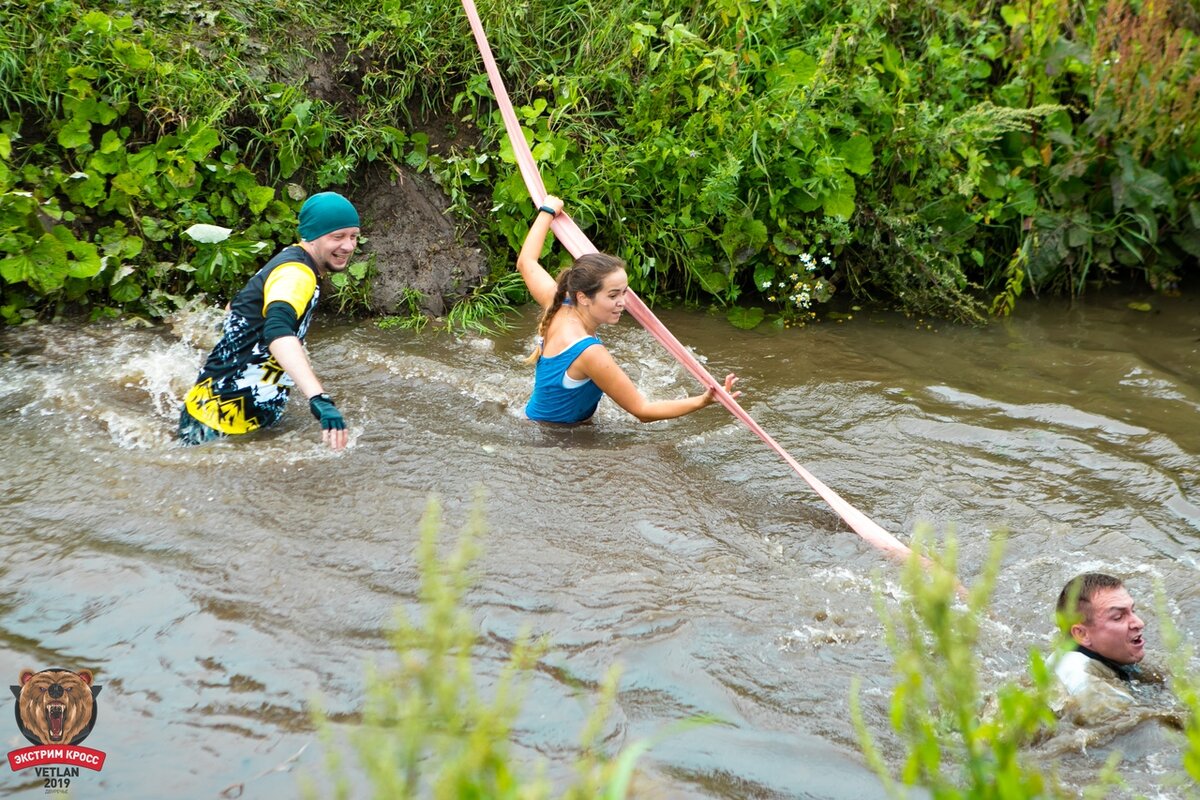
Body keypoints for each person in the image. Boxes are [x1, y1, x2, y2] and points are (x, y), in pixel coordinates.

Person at [516, 195, 739, 424]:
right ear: (583, 297)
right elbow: (642, 410)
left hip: (534, 422)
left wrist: (547, 211)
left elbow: (527, 262)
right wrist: (703, 401)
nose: (623, 302)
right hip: (554, 440)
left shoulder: (561, 302)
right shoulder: (589, 352)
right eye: (613, 295)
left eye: (624, 292)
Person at [178, 191, 359, 450]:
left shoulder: (290, 258)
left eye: (353, 236)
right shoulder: (298, 274)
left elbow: (235, 307)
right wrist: (319, 398)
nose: (349, 246)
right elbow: (277, 330)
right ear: (312, 235)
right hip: (220, 425)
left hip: (226, 413)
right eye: (337, 237)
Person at [1052, 572, 1147, 701]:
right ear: (1082, 634)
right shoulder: (1087, 685)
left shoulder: (1103, 654)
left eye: (1132, 610)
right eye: (1118, 617)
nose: (1139, 623)